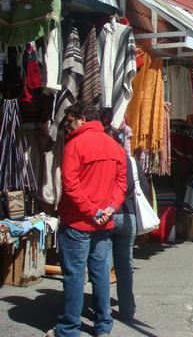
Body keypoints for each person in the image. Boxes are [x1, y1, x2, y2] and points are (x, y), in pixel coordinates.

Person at [48, 102, 127, 337]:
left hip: (78, 221)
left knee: (74, 274)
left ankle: (69, 328)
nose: (68, 125)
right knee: (101, 272)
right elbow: (121, 183)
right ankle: (103, 325)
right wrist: (110, 208)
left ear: (82, 119)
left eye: (70, 120)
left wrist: (92, 211)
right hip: (103, 221)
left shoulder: (75, 144)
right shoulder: (114, 146)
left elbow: (70, 185)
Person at [104, 126, 150, 322]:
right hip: (129, 216)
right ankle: (127, 310)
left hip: (107, 216)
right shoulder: (130, 161)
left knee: (104, 265)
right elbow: (144, 188)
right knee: (125, 265)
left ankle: (103, 310)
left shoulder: (103, 160)